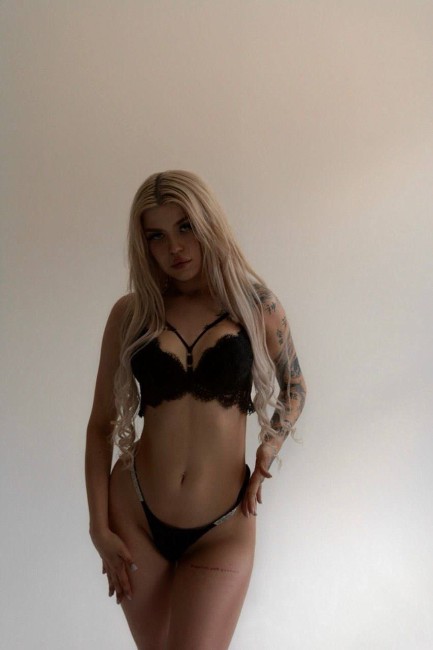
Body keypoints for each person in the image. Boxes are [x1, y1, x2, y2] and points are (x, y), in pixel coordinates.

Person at [85, 170, 307, 649]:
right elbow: (100, 426)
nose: (175, 247)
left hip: (222, 527)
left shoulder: (256, 306)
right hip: (135, 516)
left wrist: (269, 447)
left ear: (209, 223)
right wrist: (98, 527)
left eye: (185, 226)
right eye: (157, 236)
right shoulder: (131, 315)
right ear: (144, 244)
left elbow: (294, 387)